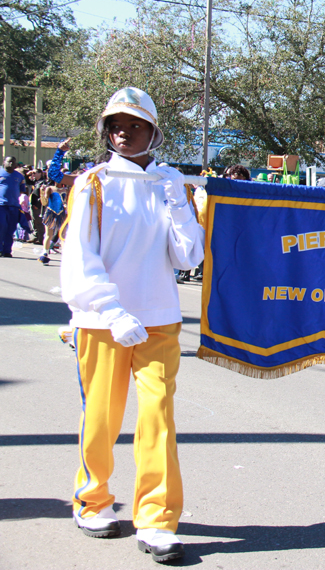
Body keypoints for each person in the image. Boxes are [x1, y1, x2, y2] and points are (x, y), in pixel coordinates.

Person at [61, 87, 205, 563]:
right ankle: (93, 499)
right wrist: (111, 310)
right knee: (101, 418)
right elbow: (80, 260)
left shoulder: (170, 185)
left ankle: (158, 518)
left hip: (160, 321)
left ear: (154, 132)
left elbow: (188, 256)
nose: (124, 132)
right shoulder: (93, 183)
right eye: (116, 125)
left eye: (135, 124)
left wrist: (180, 204)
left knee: (157, 419)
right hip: (103, 323)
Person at [1, 155, 26, 257]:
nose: (11, 164)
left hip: (14, 206)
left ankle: (7, 250)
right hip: (1, 206)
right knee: (2, 227)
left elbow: (22, 191)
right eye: (9, 161)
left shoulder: (19, 176)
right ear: (4, 162)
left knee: (10, 229)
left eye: (13, 162)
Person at [38, 183, 66, 265]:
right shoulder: (50, 188)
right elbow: (44, 202)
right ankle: (45, 253)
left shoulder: (66, 189)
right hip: (50, 213)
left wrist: (66, 206)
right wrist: (42, 192)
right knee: (48, 235)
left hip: (62, 214)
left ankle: (65, 256)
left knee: (63, 235)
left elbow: (67, 201)